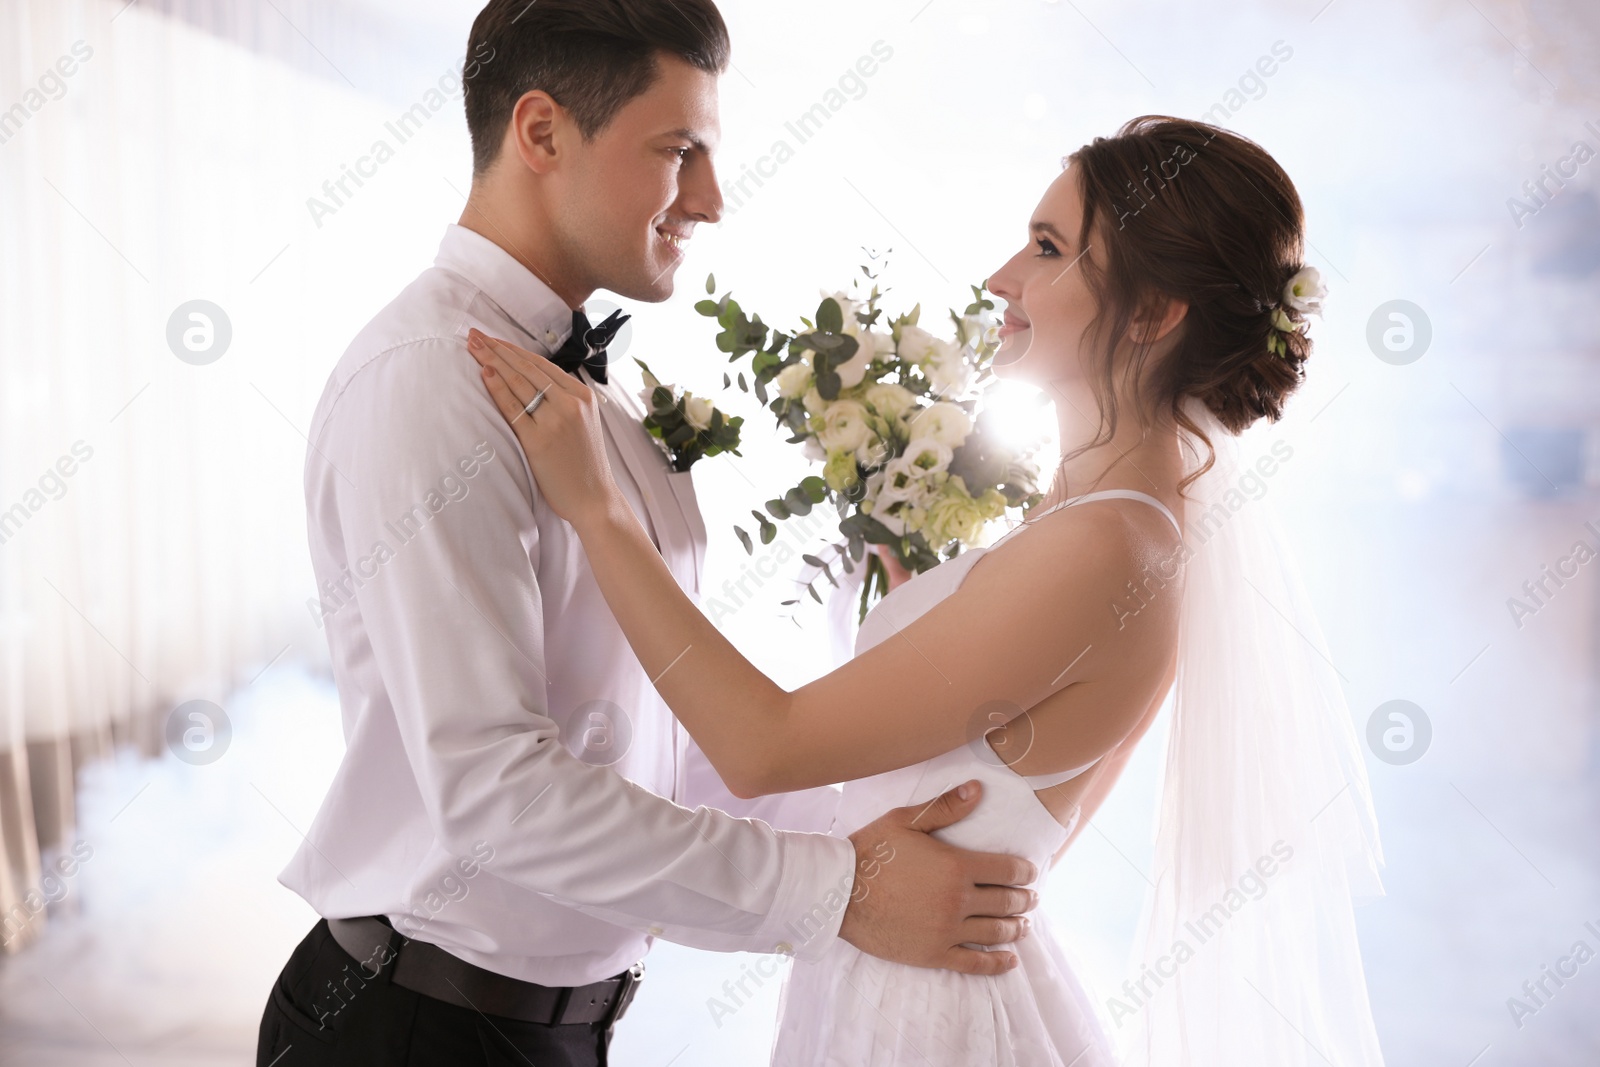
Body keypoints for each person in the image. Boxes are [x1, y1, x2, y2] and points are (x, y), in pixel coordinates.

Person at [468, 115, 1389, 1065]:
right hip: (917, 974)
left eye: (1048, 249)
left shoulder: (1106, 545)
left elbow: (760, 747)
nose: (1002, 279)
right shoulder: (1127, 522)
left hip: (922, 1018)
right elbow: (1006, 825)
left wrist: (598, 510)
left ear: (1156, 313)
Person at [255, 3, 1038, 1065]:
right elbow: (499, 791)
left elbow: (642, 736)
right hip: (415, 1026)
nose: (711, 201)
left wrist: (871, 837)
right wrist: (836, 889)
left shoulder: (595, 399)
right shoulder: (431, 384)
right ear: (539, 133)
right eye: (680, 152)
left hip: (551, 1030)